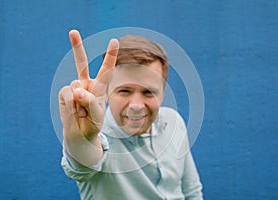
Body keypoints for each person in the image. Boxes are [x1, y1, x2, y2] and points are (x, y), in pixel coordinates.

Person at [59, 30, 203, 200]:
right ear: (106, 92)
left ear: (163, 93)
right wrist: (83, 140)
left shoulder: (173, 121)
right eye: (125, 91)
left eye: (148, 92)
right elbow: (83, 166)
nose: (136, 105)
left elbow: (192, 191)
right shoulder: (100, 135)